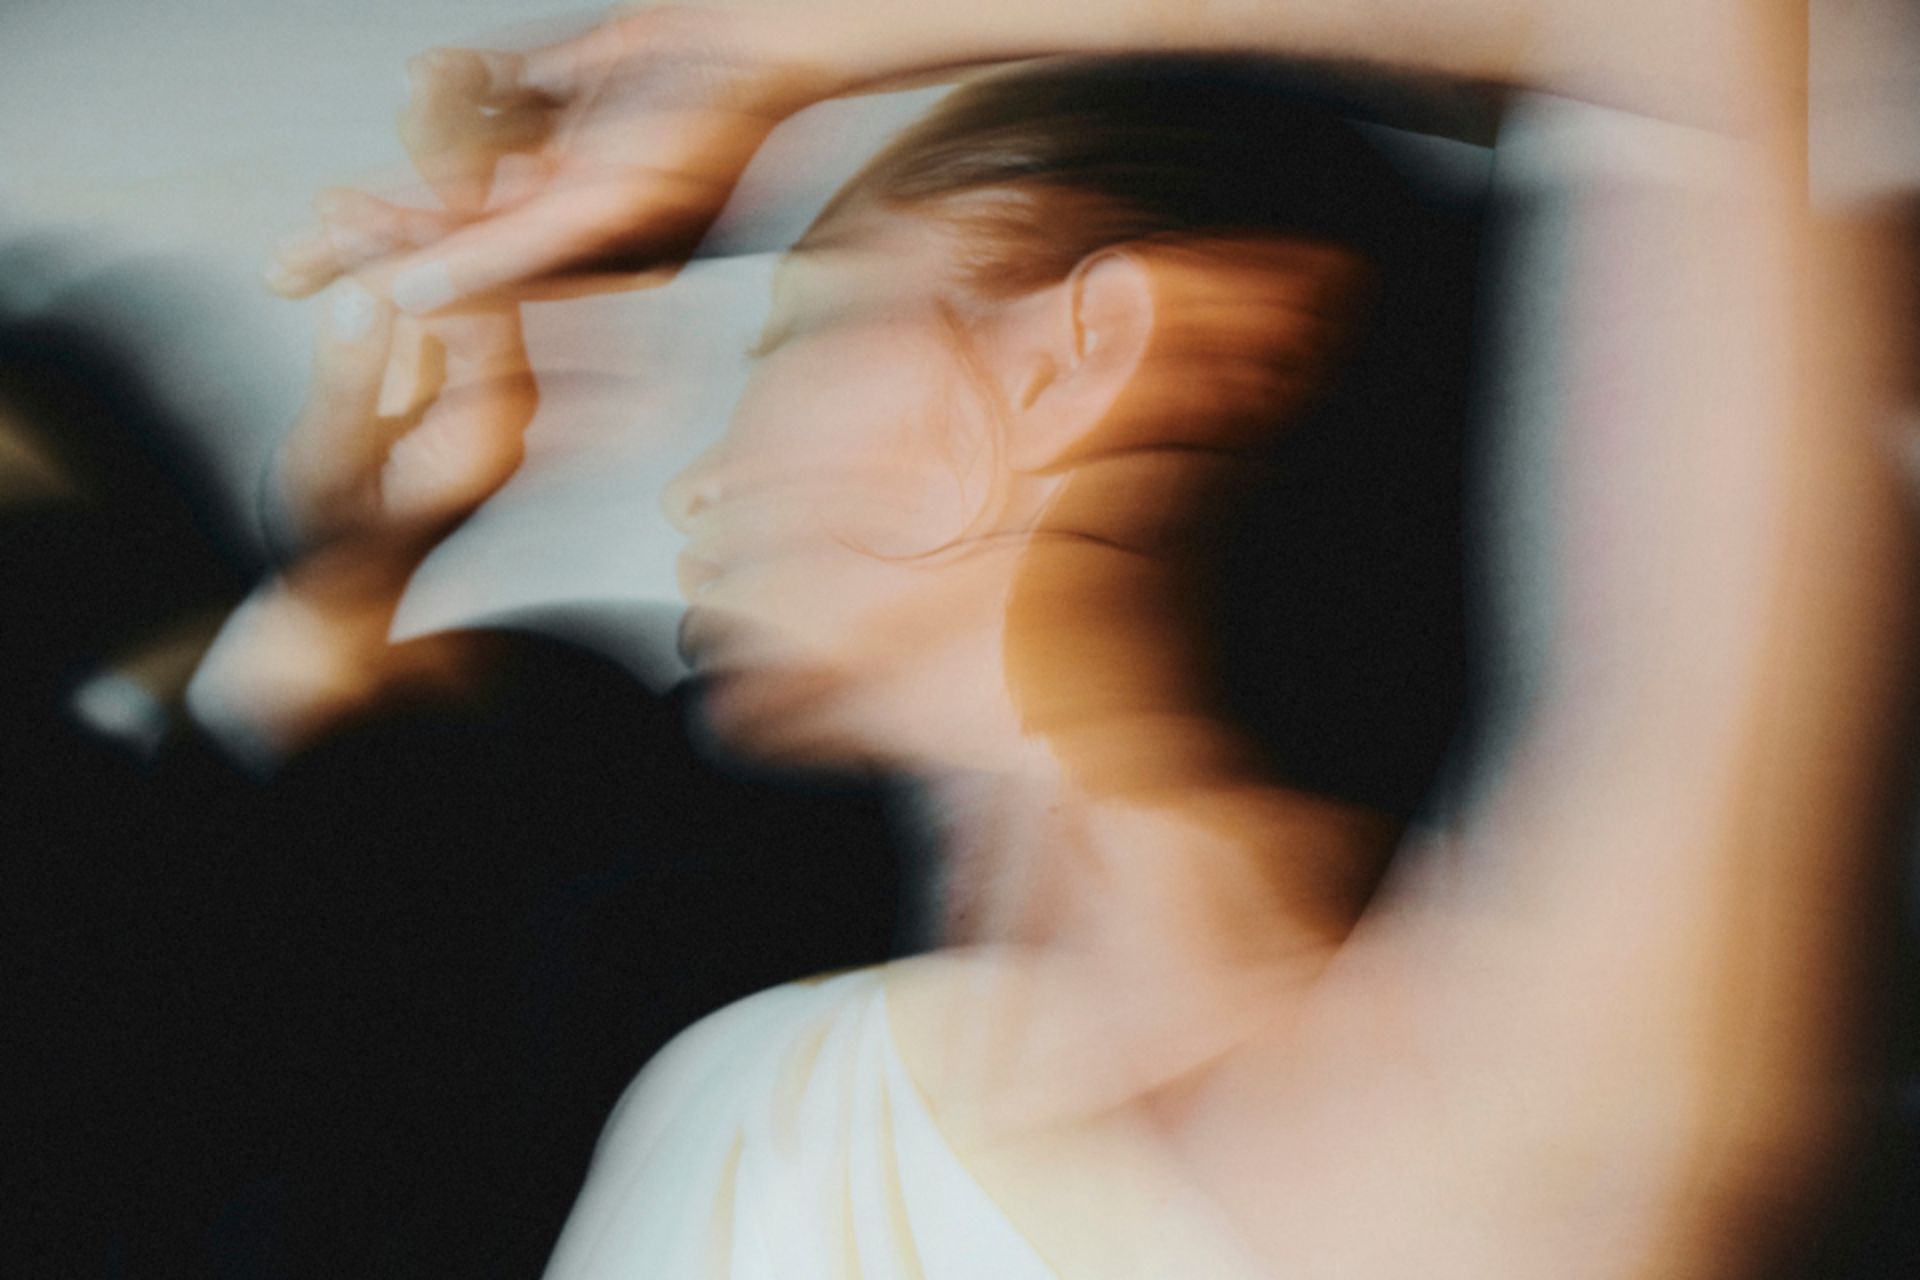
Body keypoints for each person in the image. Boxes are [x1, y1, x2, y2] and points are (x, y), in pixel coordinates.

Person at [259, 3, 1911, 1278]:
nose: (705, 477)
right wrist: (351, 574)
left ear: (1089, 351)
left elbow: (1694, 37)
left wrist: (805, 42)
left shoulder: (1484, 1118)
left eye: (813, 323)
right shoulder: (757, 1071)